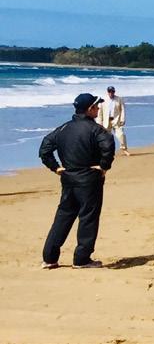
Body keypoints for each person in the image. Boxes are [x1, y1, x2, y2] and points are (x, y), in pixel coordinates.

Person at [39, 93, 115, 269]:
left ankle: (49, 258)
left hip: (69, 178)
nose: (98, 109)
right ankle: (82, 259)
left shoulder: (64, 128)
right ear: (89, 109)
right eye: (96, 106)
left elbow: (45, 148)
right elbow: (108, 144)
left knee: (63, 216)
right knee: (88, 217)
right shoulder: (95, 129)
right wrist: (104, 166)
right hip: (89, 178)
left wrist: (57, 168)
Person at [96, 85, 129, 155]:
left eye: (112, 91)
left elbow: (122, 110)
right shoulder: (103, 100)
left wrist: (122, 119)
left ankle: (124, 149)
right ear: (107, 92)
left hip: (116, 120)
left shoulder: (119, 99)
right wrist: (99, 122)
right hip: (106, 121)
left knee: (121, 135)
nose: (111, 93)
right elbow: (99, 112)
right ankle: (107, 151)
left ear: (114, 92)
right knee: (106, 138)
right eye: (109, 91)